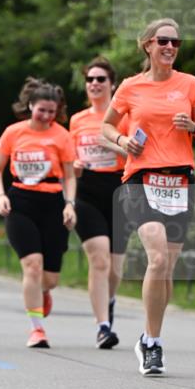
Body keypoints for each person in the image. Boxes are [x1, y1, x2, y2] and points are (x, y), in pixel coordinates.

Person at [101, 18, 195, 376]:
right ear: (147, 44)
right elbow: (106, 126)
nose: (170, 47)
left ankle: (148, 334)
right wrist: (123, 141)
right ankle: (152, 344)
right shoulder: (130, 87)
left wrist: (193, 128)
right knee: (158, 256)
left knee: (167, 268)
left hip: (179, 180)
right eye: (163, 41)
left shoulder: (190, 84)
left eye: (175, 42)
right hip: (140, 179)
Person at [0, 77, 76, 348]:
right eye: (42, 110)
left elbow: (70, 176)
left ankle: (44, 291)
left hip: (52, 203)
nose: (46, 116)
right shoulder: (13, 133)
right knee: (32, 265)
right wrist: (1, 196)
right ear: (30, 106)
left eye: (52, 112)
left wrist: (70, 204)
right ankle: (36, 329)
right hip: (20, 202)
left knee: (50, 278)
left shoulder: (62, 135)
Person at [70, 57, 128, 348]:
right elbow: (68, 158)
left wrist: (113, 145)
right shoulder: (77, 120)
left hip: (119, 191)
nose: (94, 83)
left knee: (115, 268)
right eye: (90, 79)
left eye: (100, 79)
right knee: (99, 259)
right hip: (86, 192)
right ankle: (103, 327)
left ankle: (110, 299)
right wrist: (74, 166)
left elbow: (139, 155)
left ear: (112, 84)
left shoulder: (124, 117)